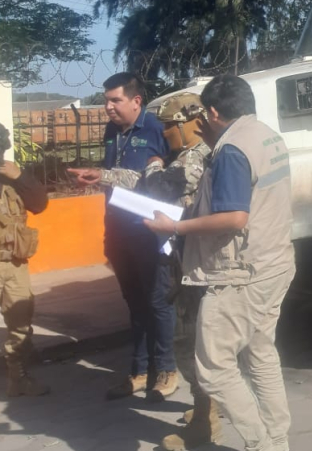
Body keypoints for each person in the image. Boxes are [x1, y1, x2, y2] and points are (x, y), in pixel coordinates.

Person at [146, 74, 295, 451]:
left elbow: (234, 217)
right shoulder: (266, 135)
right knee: (260, 355)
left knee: (213, 370)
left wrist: (176, 226)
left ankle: (262, 443)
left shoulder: (231, 149)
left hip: (239, 276)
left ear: (213, 112)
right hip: (274, 263)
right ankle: (278, 440)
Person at [68, 72, 177, 401]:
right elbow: (114, 178)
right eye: (106, 101)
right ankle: (139, 372)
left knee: (158, 301)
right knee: (135, 304)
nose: (108, 107)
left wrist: (101, 174)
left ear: (136, 101)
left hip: (149, 232)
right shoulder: (112, 131)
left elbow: (163, 184)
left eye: (115, 100)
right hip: (118, 230)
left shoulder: (159, 130)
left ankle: (167, 370)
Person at [143, 92, 219, 451]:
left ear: (190, 122)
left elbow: (160, 185)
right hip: (184, 262)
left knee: (190, 341)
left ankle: (206, 419)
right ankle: (206, 407)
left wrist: (153, 165)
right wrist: (105, 175)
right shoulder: (188, 157)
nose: (166, 133)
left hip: (195, 267)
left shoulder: (196, 158)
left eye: (170, 126)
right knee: (192, 339)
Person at [0, 120, 50, 421]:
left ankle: (19, 377)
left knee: (20, 324)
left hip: (15, 263)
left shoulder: (14, 179)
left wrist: (21, 176)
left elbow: (40, 204)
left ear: (1, 148)